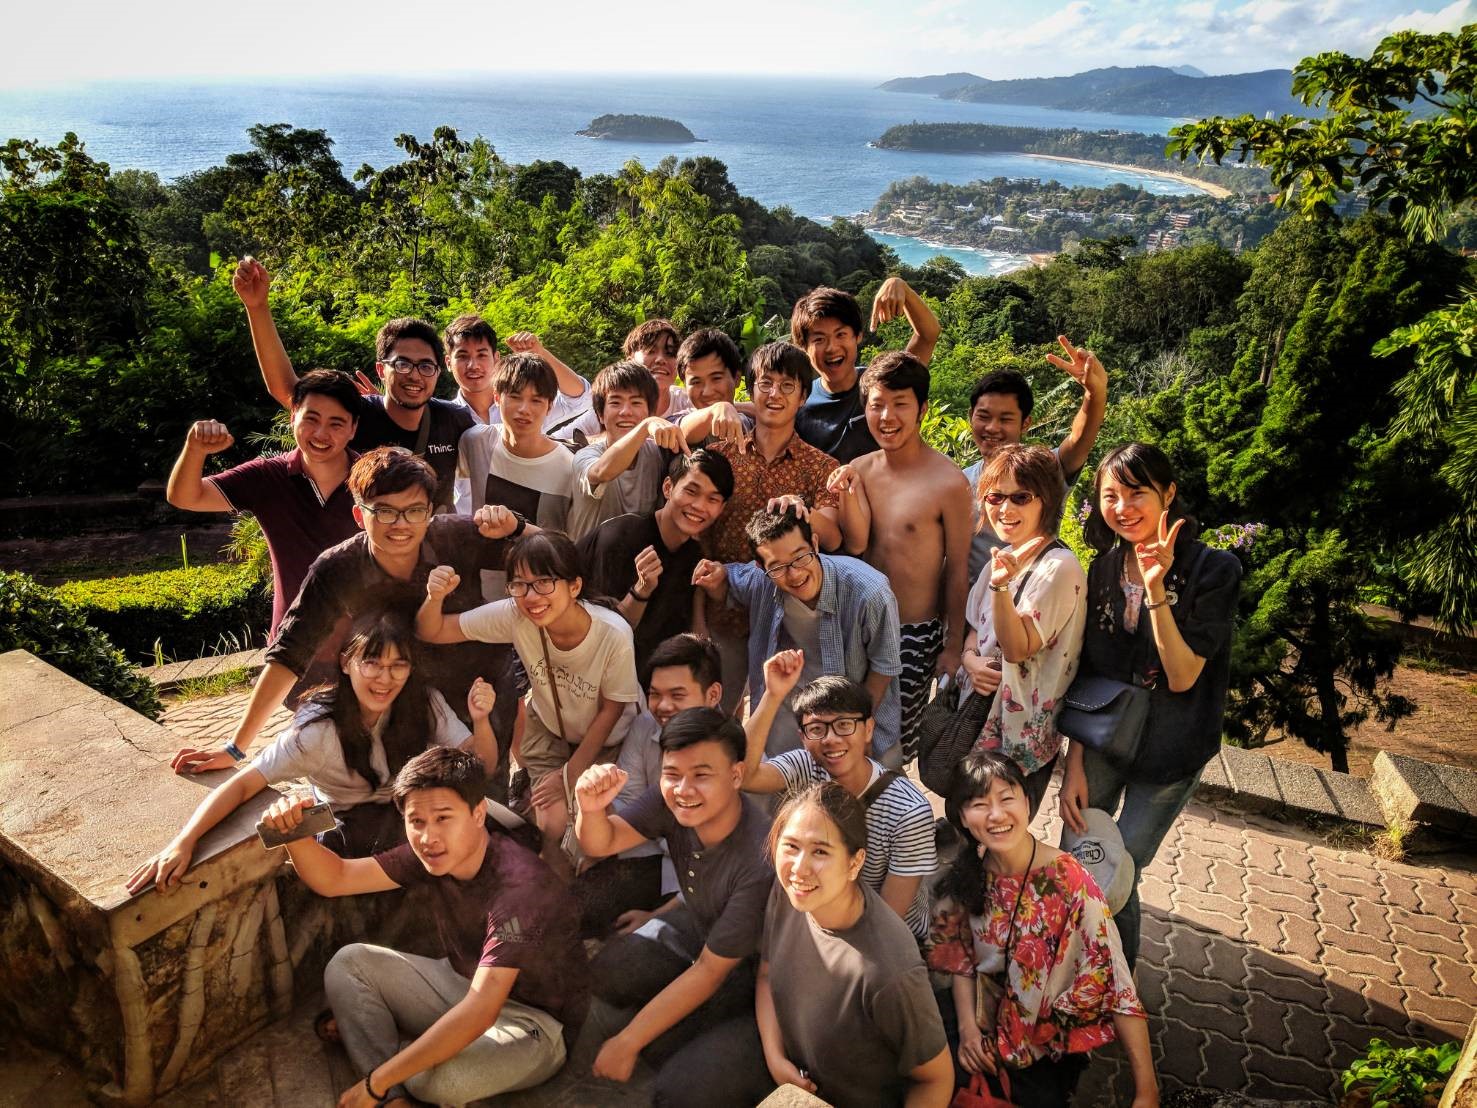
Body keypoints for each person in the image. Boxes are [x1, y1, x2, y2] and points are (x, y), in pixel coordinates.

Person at [171, 448, 528, 789]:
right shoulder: (337, 568)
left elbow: (548, 560)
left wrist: (516, 526)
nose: (401, 524)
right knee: (416, 796)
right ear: (359, 515)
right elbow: (290, 654)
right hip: (407, 697)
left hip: (481, 685)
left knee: (485, 786)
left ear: (430, 512)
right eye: (384, 511)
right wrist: (236, 746)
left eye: (414, 511)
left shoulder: (457, 536)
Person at [260, 746, 588, 1106]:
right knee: (349, 964)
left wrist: (374, 1082)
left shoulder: (519, 886)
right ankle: (396, 1095)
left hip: (535, 1027)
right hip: (464, 986)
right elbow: (336, 878)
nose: (428, 837)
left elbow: (482, 1011)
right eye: (416, 821)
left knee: (435, 1080)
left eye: (444, 818)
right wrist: (293, 834)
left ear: (478, 814)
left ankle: (392, 1066)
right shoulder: (430, 854)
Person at [127, 611, 496, 895]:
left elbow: (479, 768)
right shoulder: (318, 730)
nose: (385, 679)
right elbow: (243, 785)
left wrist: (481, 722)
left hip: (407, 813)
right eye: (371, 663)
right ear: (346, 663)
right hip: (347, 823)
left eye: (398, 665)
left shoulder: (422, 702)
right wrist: (183, 843)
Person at [1058, 442, 1241, 966]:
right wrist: (1074, 764)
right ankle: (1088, 976)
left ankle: (1113, 992)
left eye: (1137, 493)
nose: (1123, 507)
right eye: (1110, 495)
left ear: (1169, 495)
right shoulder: (1103, 569)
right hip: (1104, 738)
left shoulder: (1214, 570)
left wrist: (1157, 589)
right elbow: (1089, 672)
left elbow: (1183, 676)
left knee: (1120, 870)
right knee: (1083, 863)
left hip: (1173, 747)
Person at [929, 751, 1157, 1108]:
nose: (996, 815)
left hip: (1044, 1045)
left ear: (1028, 802)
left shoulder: (1069, 880)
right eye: (979, 804)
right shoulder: (965, 875)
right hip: (979, 1025)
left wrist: (1147, 1092)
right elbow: (962, 962)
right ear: (961, 816)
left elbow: (1117, 983)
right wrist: (968, 1031)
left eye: (1007, 798)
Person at [573, 709, 774, 1107]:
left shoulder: (757, 857)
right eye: (672, 773)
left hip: (762, 986)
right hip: (706, 943)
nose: (684, 788)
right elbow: (600, 843)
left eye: (702, 774)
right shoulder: (673, 801)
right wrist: (590, 808)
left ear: (736, 776)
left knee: (678, 1088)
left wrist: (628, 1041)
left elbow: (711, 972)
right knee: (611, 968)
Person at [417, 530, 641, 878]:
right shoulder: (515, 614)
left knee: (593, 833)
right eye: (519, 584)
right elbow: (433, 630)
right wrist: (434, 597)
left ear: (575, 586)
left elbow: (612, 710)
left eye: (544, 583)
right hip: (551, 728)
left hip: (608, 739)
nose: (531, 596)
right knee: (549, 826)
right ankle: (548, 900)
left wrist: (568, 776)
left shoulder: (613, 635)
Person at [758, 782, 953, 1107]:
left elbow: (936, 1079)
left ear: (854, 863)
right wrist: (775, 1057)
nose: (799, 867)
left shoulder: (890, 972)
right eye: (791, 846)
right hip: (788, 1069)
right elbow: (766, 974)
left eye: (820, 851)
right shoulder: (790, 892)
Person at [232, 257, 474, 513]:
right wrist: (257, 308)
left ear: (438, 372)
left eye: (426, 366)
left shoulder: (454, 419)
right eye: (402, 364)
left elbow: (507, 443)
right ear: (381, 369)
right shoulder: (358, 413)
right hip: (367, 547)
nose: (415, 376)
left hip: (437, 550)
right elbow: (288, 391)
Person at [830, 351, 972, 761]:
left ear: (922, 409)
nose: (887, 416)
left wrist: (953, 645)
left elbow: (958, 567)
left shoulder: (949, 482)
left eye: (900, 404)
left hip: (914, 632)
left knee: (894, 743)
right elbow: (852, 546)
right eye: (877, 405)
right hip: (856, 625)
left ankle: (893, 819)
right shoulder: (858, 469)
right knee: (847, 732)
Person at [742, 656, 936, 939]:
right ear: (803, 737)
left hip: (888, 939)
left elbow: (889, 919)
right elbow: (745, 776)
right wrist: (773, 696)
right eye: (817, 729)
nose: (831, 739)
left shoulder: (909, 811)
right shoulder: (806, 765)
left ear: (868, 729)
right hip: (817, 911)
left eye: (844, 725)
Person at [693, 505, 902, 760]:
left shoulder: (869, 591)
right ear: (761, 567)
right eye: (777, 567)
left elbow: (885, 665)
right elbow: (730, 577)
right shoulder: (761, 580)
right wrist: (717, 575)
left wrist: (857, 727)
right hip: (788, 714)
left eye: (800, 557)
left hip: (856, 711)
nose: (794, 574)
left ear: (815, 544)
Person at [165, 368, 362, 634]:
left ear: (353, 429)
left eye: (336, 424)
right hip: (291, 645)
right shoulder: (267, 477)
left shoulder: (374, 479)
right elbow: (185, 497)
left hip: (367, 647)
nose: (320, 434)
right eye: (311, 419)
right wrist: (195, 449)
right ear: (293, 417)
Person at [703, 342, 844, 710]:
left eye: (787, 386)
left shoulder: (820, 467)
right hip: (722, 615)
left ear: (802, 398)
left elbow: (831, 533)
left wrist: (804, 510)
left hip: (788, 622)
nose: (774, 394)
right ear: (751, 390)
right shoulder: (720, 456)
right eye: (766, 383)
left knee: (778, 729)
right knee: (715, 719)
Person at [960, 444, 1087, 816]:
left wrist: (1002, 588)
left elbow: (1017, 648)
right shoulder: (1001, 559)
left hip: (1017, 744)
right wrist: (970, 661)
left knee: (997, 838)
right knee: (966, 824)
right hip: (979, 721)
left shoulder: (1058, 567)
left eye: (1021, 496)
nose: (1005, 508)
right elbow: (973, 629)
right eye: (995, 496)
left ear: (1045, 501)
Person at [573, 633, 726, 937]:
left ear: (712, 695)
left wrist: (657, 916)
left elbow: (728, 869)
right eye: (655, 694)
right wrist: (601, 844)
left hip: (705, 890)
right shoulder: (645, 726)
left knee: (634, 958)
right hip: (648, 857)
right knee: (569, 911)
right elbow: (627, 802)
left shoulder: (736, 756)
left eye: (678, 695)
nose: (663, 706)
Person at [962, 338, 1107, 585]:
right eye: (983, 416)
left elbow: (1079, 438)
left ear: (1025, 423)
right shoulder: (961, 480)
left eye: (1005, 419)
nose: (992, 428)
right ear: (970, 417)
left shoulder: (1044, 469)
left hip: (1037, 599)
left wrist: (1094, 393)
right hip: (979, 612)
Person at [576, 449, 734, 670]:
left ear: (721, 508)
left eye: (712, 499)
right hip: (592, 671)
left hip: (650, 681)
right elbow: (606, 634)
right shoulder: (621, 535)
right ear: (668, 487)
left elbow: (695, 633)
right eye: (691, 491)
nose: (699, 506)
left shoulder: (695, 556)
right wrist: (641, 590)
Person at [567, 361, 737, 541]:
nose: (626, 411)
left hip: (643, 564)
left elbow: (688, 432)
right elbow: (601, 472)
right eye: (615, 403)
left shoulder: (657, 454)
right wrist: (645, 426)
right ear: (600, 414)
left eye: (636, 402)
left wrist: (722, 407)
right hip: (590, 563)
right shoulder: (585, 456)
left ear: (650, 411)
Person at [792, 278, 940, 464]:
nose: (831, 347)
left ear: (858, 336)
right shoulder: (798, 403)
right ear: (804, 347)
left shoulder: (882, 384)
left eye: (841, 335)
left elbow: (928, 335)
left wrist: (901, 286)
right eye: (819, 339)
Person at [453, 352, 575, 533]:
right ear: (497, 398)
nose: (524, 409)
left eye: (536, 400)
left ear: (549, 406)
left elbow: (569, 543)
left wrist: (516, 528)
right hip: (480, 557)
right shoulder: (476, 442)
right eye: (515, 397)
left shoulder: (569, 467)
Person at [443, 314, 591, 429]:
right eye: (463, 356)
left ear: (496, 359)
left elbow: (581, 399)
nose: (473, 365)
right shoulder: (444, 419)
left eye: (482, 355)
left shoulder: (523, 407)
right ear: (448, 363)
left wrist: (540, 353)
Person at [566, 319, 695, 438]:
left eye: (670, 353)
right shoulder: (611, 407)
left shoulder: (688, 402)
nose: (661, 359)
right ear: (630, 360)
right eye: (651, 351)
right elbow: (557, 442)